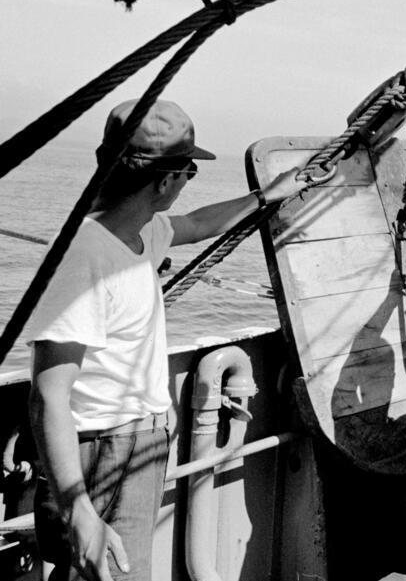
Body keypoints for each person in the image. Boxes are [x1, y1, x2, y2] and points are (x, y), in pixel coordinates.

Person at [27, 99, 305, 581]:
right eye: (189, 171)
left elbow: (196, 225)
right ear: (164, 181)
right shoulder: (82, 257)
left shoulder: (141, 230)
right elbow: (47, 396)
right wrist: (79, 510)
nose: (188, 180)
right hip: (101, 452)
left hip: (141, 440)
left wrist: (267, 195)